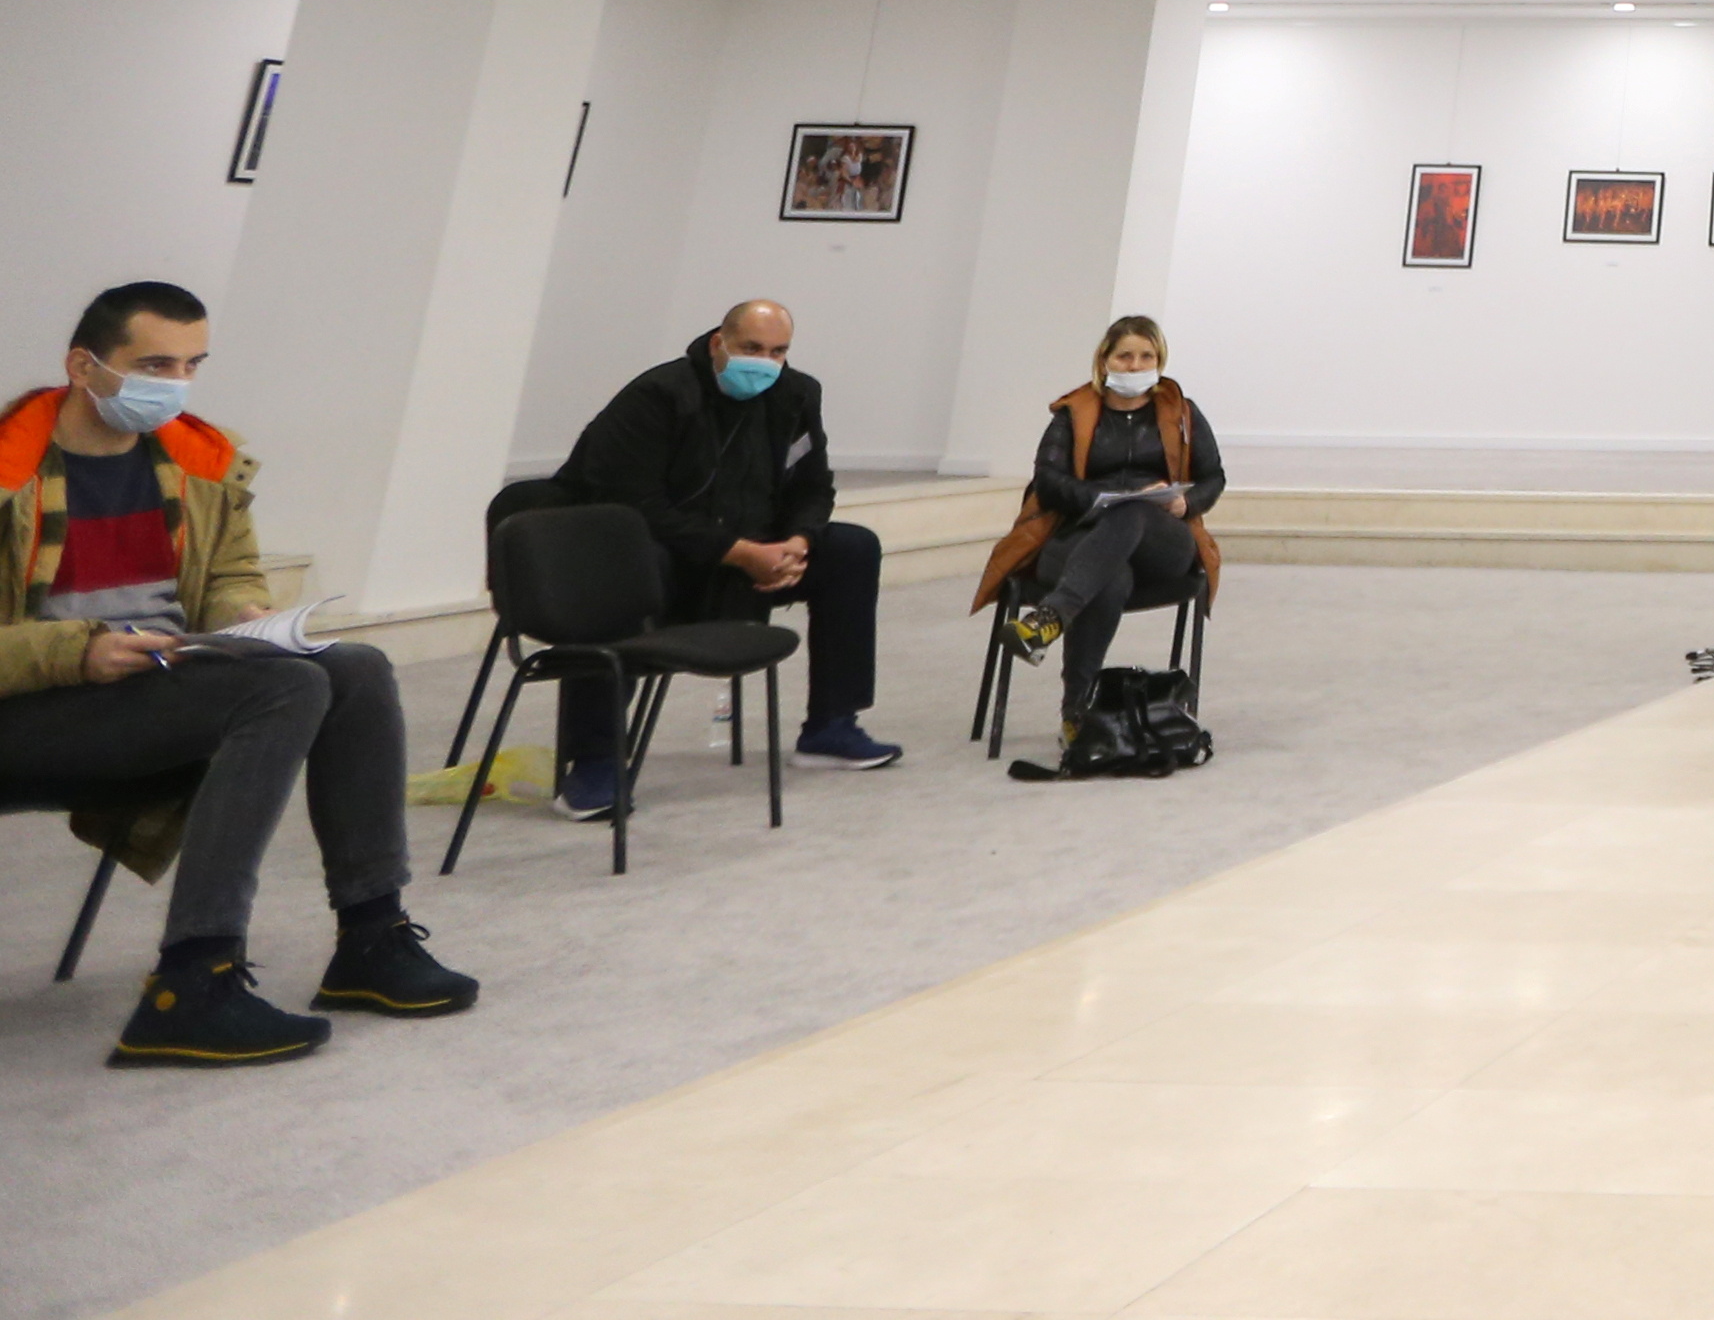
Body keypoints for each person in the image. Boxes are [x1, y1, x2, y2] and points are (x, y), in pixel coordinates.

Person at [0, 282, 479, 1066]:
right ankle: (191, 980)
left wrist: (242, 614)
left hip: (156, 683)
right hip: (35, 704)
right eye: (154, 362)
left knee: (353, 666)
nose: (176, 382)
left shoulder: (200, 460)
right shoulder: (9, 468)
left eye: (192, 363)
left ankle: (371, 936)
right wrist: (76, 649)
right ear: (82, 365)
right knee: (287, 686)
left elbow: (227, 572)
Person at [548, 299, 899, 803]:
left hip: (748, 549)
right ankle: (595, 759)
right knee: (620, 566)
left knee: (850, 548)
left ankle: (831, 726)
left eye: (778, 351)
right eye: (751, 348)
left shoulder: (797, 395)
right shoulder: (657, 396)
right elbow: (630, 506)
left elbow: (813, 486)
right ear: (719, 343)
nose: (764, 362)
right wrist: (736, 552)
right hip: (658, 548)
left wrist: (798, 542)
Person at [970, 315, 1226, 765]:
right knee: (1109, 576)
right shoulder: (1074, 412)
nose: (1135, 365)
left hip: (1162, 543)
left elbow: (1213, 477)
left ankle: (1051, 618)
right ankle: (1077, 712)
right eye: (1125, 356)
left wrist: (1186, 504)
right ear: (1104, 359)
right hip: (1079, 537)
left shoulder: (1181, 411)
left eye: (1146, 356)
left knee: (1133, 513)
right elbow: (1048, 482)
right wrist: (1102, 498)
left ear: (1159, 360)